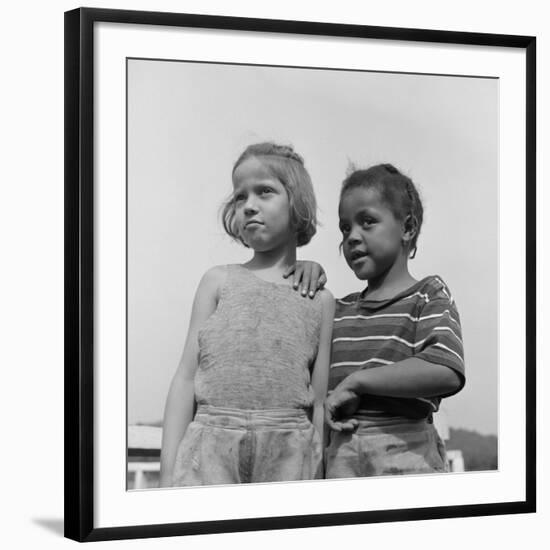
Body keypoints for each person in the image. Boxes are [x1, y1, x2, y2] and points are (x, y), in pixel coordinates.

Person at [159, 142, 334, 487]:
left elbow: (319, 401)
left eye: (264, 191)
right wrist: (167, 473)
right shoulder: (216, 281)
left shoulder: (320, 299)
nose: (249, 206)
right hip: (209, 444)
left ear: (297, 202)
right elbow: (184, 378)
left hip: (291, 452)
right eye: (241, 197)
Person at [291, 163, 465, 477]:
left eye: (367, 222)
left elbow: (445, 369)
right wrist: (302, 273)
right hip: (339, 456)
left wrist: (360, 381)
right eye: (345, 228)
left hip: (410, 453)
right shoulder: (337, 309)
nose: (352, 237)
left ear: (407, 228)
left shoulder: (427, 294)